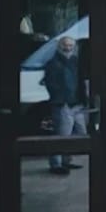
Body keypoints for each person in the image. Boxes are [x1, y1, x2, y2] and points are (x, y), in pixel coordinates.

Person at [41, 35, 87, 175]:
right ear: (59, 46)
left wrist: (83, 99)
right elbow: (50, 84)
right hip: (63, 105)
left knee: (79, 134)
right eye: (65, 45)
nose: (68, 48)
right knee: (61, 136)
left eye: (70, 45)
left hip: (77, 104)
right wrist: (61, 101)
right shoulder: (52, 64)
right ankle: (56, 164)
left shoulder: (75, 61)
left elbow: (80, 81)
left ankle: (66, 160)